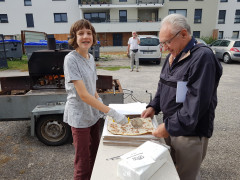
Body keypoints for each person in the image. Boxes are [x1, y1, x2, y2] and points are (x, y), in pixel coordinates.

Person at [141, 14, 222, 180]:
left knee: (185, 176)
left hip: (190, 133)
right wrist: (154, 106)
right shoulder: (173, 55)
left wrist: (169, 127)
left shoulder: (202, 57)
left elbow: (196, 104)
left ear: (183, 34)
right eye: (162, 43)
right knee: (170, 172)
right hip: (171, 126)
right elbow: (163, 85)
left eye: (167, 42)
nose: (164, 48)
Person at [63, 19, 128, 180]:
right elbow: (83, 95)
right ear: (74, 37)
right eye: (81, 33)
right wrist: (111, 112)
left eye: (89, 33)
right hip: (79, 118)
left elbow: (92, 89)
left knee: (95, 156)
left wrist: (102, 107)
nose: (86, 36)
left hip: (93, 116)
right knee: (83, 164)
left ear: (93, 37)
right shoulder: (71, 59)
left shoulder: (90, 58)